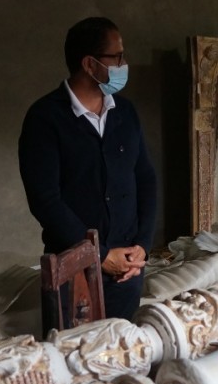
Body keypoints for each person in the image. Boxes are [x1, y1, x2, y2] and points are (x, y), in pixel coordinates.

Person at [19, 17, 157, 321]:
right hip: (72, 272)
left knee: (124, 354)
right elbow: (45, 199)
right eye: (117, 57)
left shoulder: (125, 113)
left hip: (126, 270)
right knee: (77, 357)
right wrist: (98, 255)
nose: (124, 64)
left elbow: (145, 179)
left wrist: (142, 247)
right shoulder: (45, 119)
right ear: (89, 64)